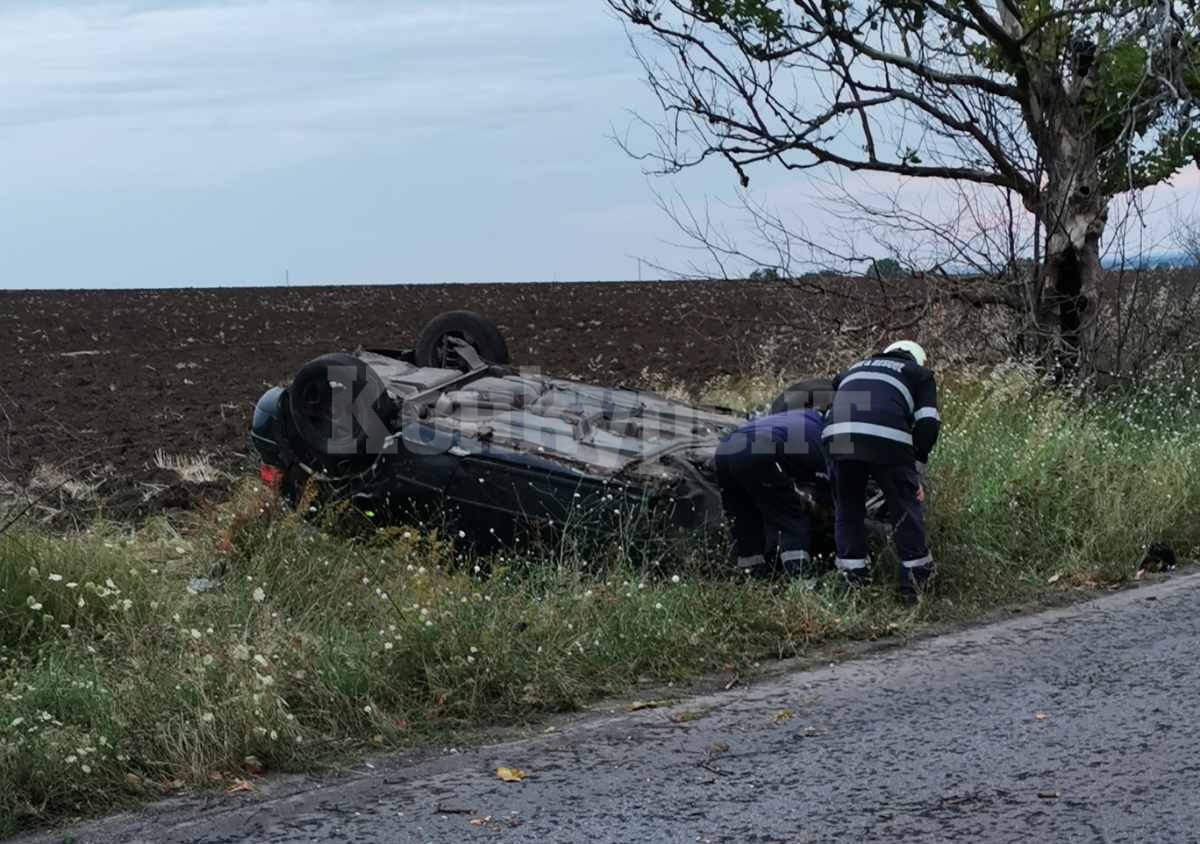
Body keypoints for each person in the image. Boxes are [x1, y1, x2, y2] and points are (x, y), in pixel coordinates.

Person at [822, 340, 940, 604]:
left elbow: (830, 414)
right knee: (904, 508)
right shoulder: (919, 374)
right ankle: (913, 589)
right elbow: (928, 425)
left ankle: (852, 586)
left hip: (837, 439)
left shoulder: (850, 370)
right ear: (916, 359)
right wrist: (916, 471)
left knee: (847, 509)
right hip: (888, 440)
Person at [714, 400, 830, 580]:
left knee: (744, 517)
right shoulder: (822, 436)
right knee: (790, 517)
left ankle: (752, 578)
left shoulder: (795, 418)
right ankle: (801, 582)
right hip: (757, 450)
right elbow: (826, 484)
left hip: (724, 449)